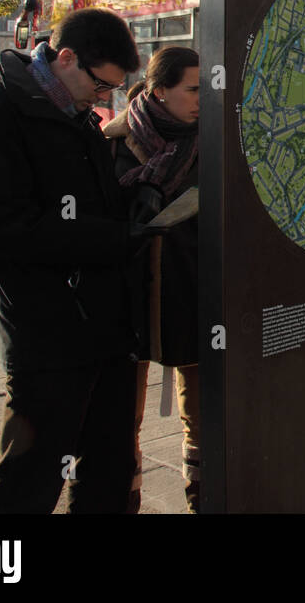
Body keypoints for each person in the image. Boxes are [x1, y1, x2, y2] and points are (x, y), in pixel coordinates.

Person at [0, 7, 147, 513]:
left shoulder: (76, 115)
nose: (105, 98)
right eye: (101, 85)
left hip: (106, 329)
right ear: (65, 58)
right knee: (30, 483)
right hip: (47, 339)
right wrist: (113, 237)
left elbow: (91, 205)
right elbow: (5, 232)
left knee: (108, 473)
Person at [104, 47, 201, 513]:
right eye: (194, 89)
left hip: (195, 297)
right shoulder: (113, 142)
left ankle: (204, 499)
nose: (204, 98)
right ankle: (125, 499)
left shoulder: (214, 141)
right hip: (129, 302)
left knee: (203, 422)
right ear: (160, 91)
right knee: (123, 421)